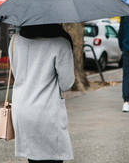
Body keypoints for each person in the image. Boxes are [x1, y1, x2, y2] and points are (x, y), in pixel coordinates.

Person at [9, 24, 75, 163]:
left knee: (33, 158)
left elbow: (17, 73)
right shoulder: (60, 43)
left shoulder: (15, 40)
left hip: (22, 110)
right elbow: (66, 84)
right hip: (47, 112)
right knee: (52, 158)